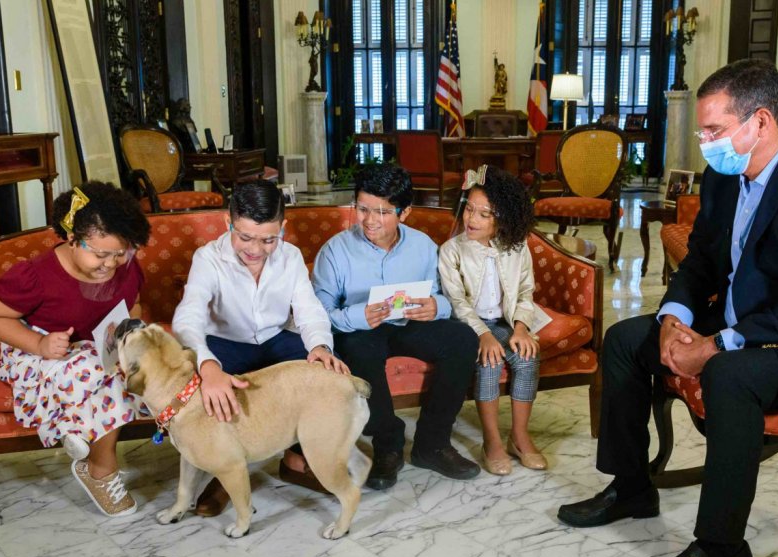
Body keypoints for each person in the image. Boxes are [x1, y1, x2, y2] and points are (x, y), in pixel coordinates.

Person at [556, 59, 778, 557]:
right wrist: (672, 317)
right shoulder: (723, 179)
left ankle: (720, 552)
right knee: (625, 339)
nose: (704, 141)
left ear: (759, 122)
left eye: (714, 129)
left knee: (729, 372)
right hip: (742, 322)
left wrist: (713, 345)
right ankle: (631, 488)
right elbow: (703, 261)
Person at [173, 180, 348, 516]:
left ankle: (298, 459)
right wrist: (207, 366)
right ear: (228, 222)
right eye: (245, 237)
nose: (255, 249)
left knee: (326, 372)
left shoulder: (291, 256)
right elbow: (188, 316)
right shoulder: (207, 258)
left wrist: (321, 346)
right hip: (225, 345)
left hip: (276, 338)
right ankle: (223, 472)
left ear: (283, 228)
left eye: (268, 239)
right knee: (205, 386)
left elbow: (309, 310)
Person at [0, 181, 151, 518]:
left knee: (126, 370)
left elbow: (134, 304)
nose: (111, 264)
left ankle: (77, 428)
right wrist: (39, 344)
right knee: (89, 369)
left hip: (94, 344)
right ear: (71, 239)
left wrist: (130, 333)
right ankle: (100, 469)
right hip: (36, 348)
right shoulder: (36, 276)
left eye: (121, 253)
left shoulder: (125, 266)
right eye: (100, 254)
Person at [312, 164, 481, 490]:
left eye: (383, 212)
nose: (369, 220)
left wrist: (436, 306)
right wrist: (359, 316)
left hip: (409, 324)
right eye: (362, 209)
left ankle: (432, 444)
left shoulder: (423, 246)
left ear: (404, 213)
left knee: (461, 338)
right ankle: (387, 444)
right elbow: (319, 313)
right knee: (356, 346)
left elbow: (446, 297)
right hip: (361, 330)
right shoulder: (335, 251)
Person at [438, 165, 551, 475]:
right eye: (469, 209)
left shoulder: (517, 247)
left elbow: (526, 291)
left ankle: (519, 436)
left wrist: (521, 328)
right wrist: (482, 336)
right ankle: (492, 442)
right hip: (469, 326)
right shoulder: (451, 251)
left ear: (502, 218)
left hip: (507, 322)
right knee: (489, 360)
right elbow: (457, 302)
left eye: (483, 214)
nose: (471, 219)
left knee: (527, 356)